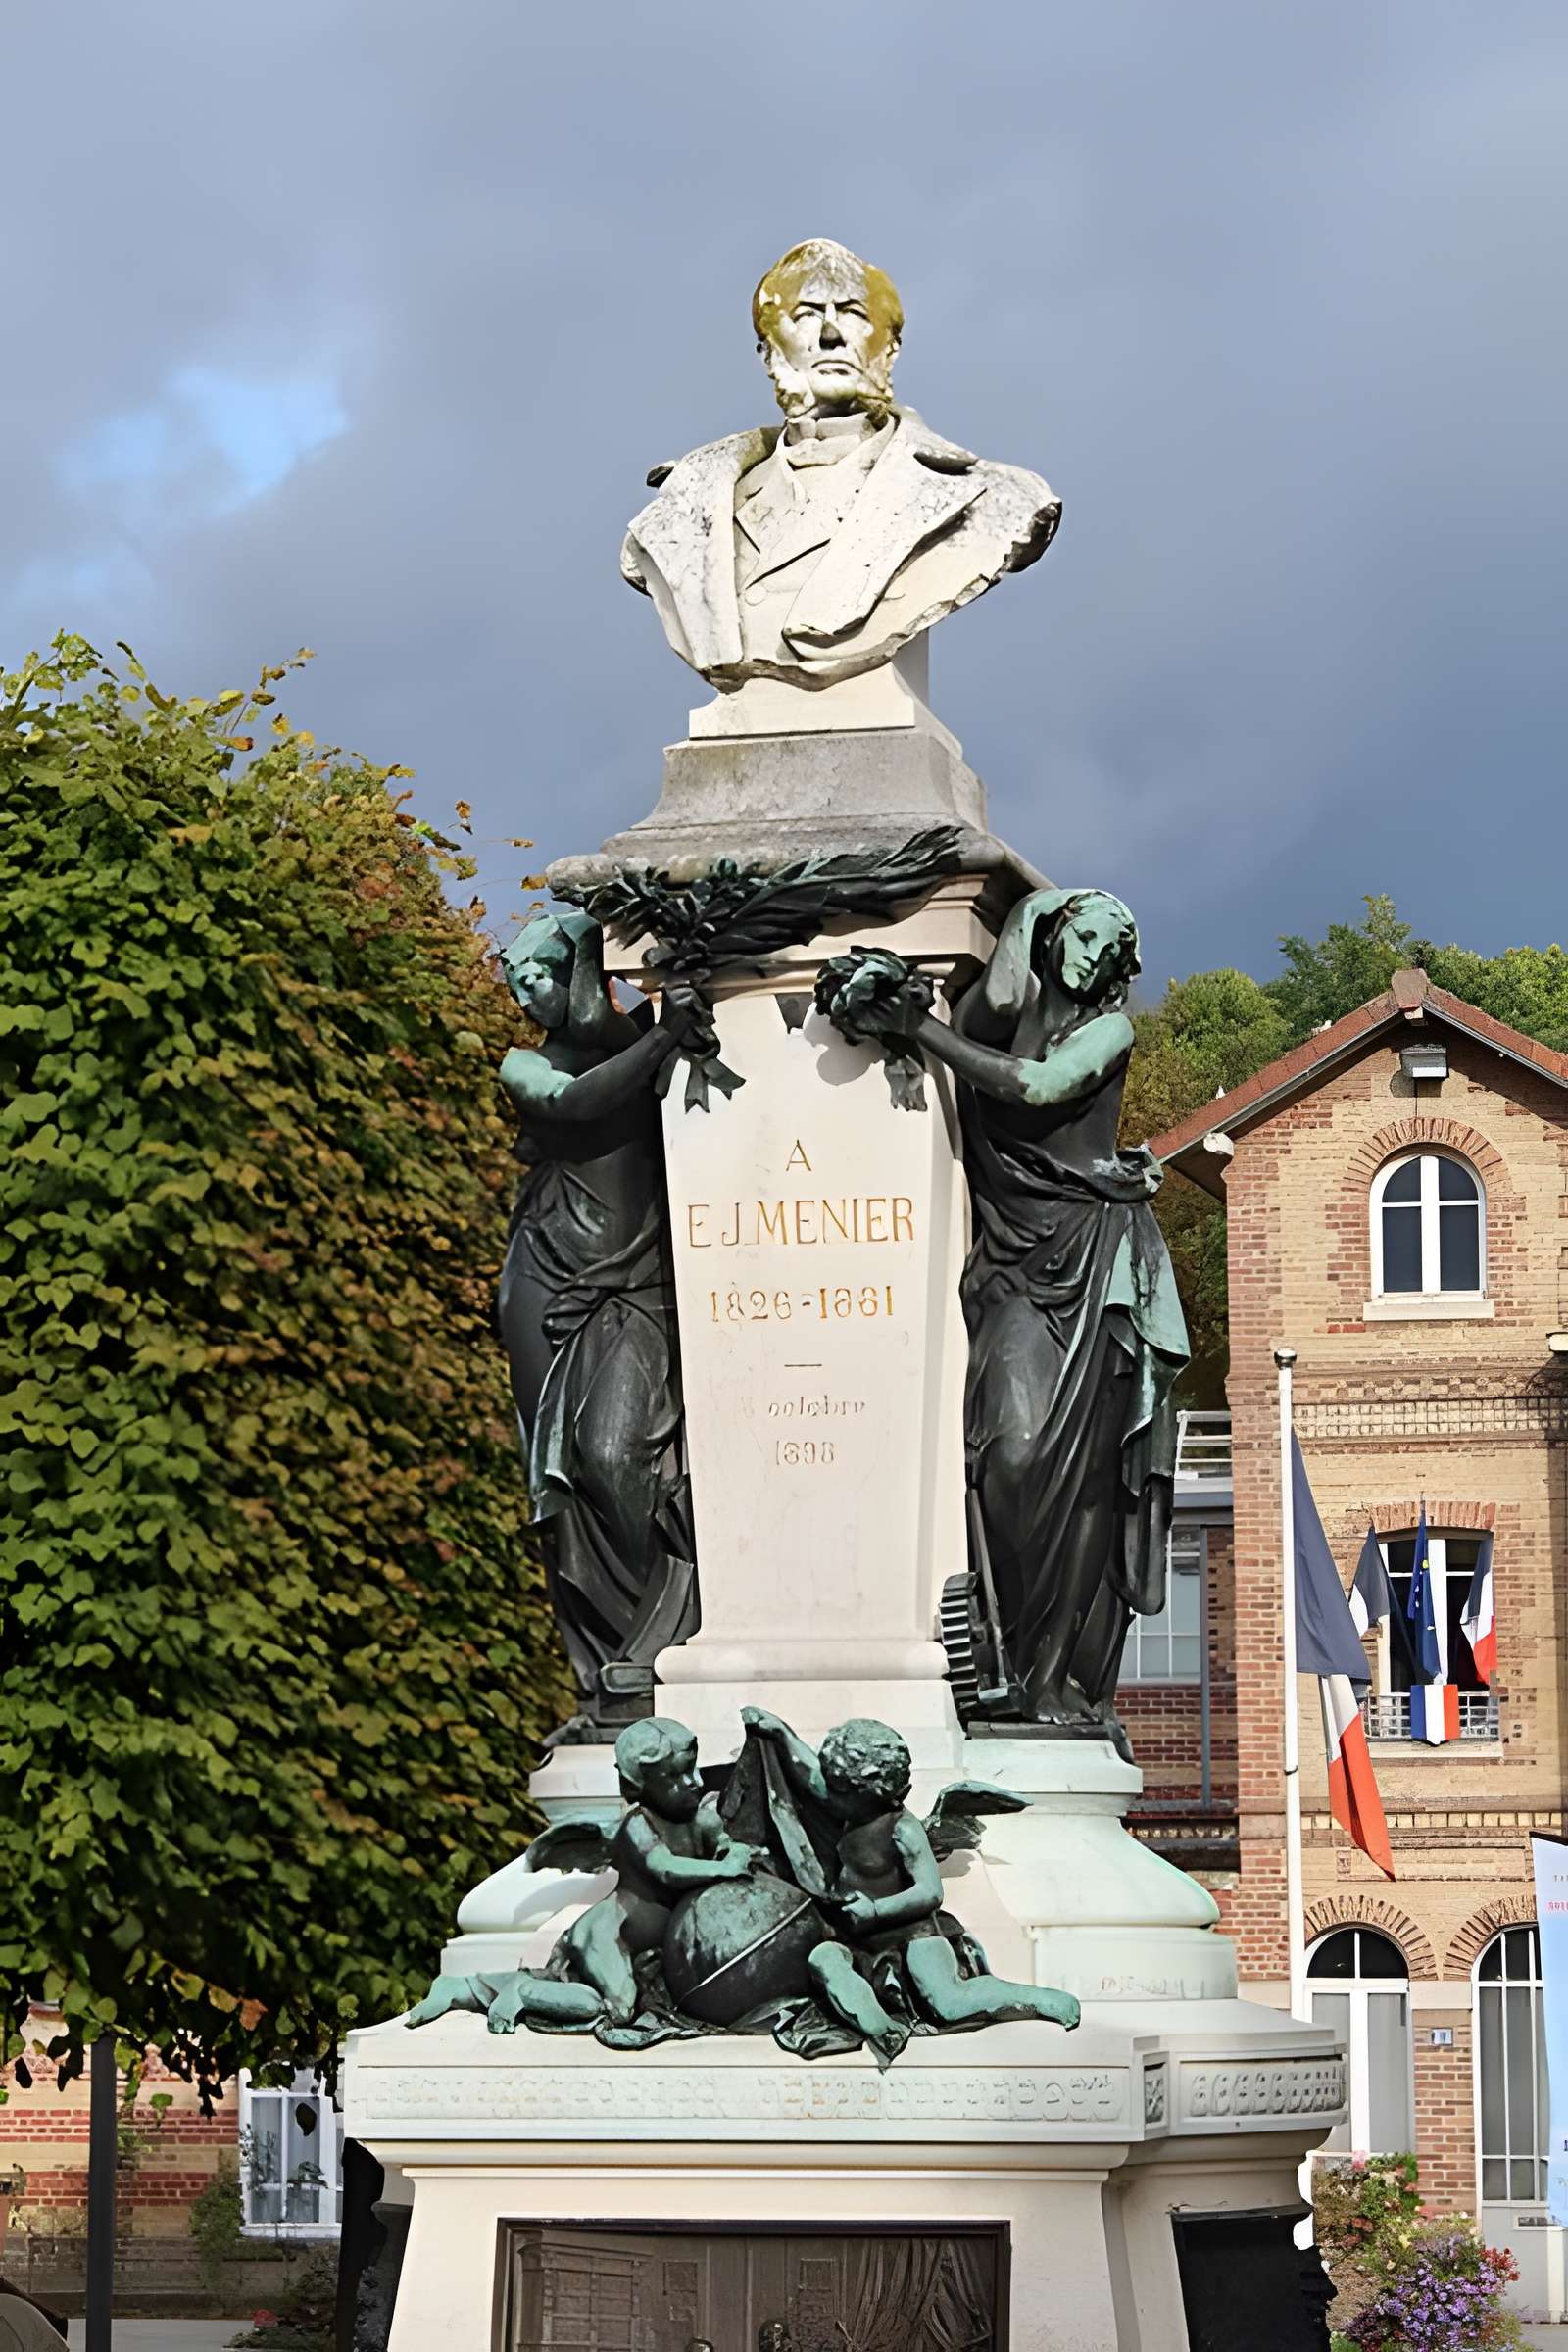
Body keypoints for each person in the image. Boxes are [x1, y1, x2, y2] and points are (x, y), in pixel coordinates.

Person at [815, 897, 1189, 1727]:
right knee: (1012, 1461)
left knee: (1079, 1477)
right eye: (1084, 935)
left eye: (1113, 944)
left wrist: (920, 1031)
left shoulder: (1109, 1032)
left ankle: (1047, 1673)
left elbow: (1033, 1087)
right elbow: (978, 1001)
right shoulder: (990, 1012)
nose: (1095, 955)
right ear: (1051, 939)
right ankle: (1006, 1646)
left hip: (1092, 1267)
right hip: (1011, 1272)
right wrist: (1003, 937)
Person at [622, 239, 1059, 694]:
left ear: (888, 348)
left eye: (851, 312)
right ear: (771, 352)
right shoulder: (691, 508)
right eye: (807, 313)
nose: (830, 335)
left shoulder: (990, 498)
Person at [496, 913, 713, 1726]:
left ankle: (668, 1616)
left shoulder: (640, 1031)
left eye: (539, 973)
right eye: (515, 979)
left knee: (617, 1452)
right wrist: (662, 1041)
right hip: (545, 1287)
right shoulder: (526, 1064)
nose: (525, 992)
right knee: (566, 1480)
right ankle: (611, 1659)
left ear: (580, 971)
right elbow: (585, 1099)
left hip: (638, 1281)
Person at [740, 1710, 1080, 2064]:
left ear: (874, 1792)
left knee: (948, 2001)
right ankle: (881, 2027)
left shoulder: (903, 1829)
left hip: (912, 1934)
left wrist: (876, 1911)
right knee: (823, 1959)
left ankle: (1038, 1999)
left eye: (839, 1791)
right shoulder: (851, 1806)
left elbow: (931, 1891)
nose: (827, 1796)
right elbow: (811, 1775)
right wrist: (781, 1732)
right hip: (858, 1937)